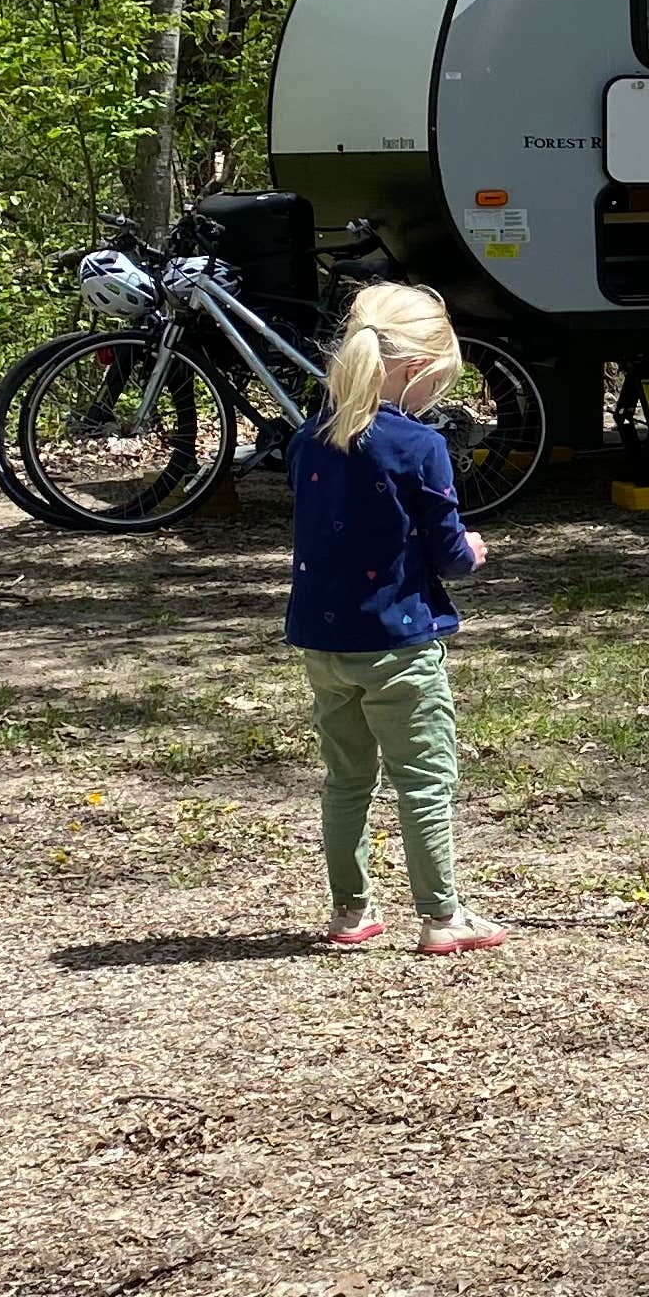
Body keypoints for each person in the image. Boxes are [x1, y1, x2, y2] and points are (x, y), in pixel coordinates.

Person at [286, 282, 506, 953]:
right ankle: (442, 917)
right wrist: (471, 551)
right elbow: (448, 553)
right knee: (424, 780)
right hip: (400, 644)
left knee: (347, 778)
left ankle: (349, 914)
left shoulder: (307, 441)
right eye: (437, 383)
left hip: (324, 644)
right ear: (414, 369)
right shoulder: (419, 446)